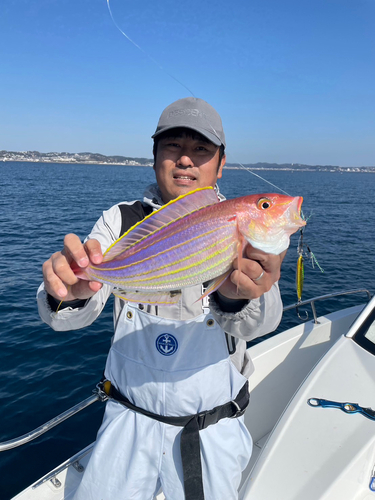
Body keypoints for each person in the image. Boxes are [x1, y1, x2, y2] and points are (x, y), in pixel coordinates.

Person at [37, 97, 284, 500]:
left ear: (221, 163)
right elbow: (69, 316)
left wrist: (239, 298)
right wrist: (65, 293)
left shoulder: (238, 221)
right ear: (154, 157)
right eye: (173, 146)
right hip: (126, 425)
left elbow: (263, 323)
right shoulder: (121, 220)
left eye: (201, 149)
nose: (186, 160)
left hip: (210, 432)